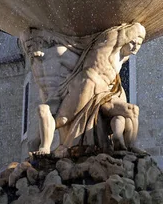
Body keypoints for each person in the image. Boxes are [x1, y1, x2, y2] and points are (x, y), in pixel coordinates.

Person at [20, 23, 146, 155]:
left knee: (131, 111)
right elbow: (87, 44)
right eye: (133, 43)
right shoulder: (112, 39)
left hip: (98, 90)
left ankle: (128, 145)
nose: (136, 48)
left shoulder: (123, 54)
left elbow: (81, 65)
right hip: (81, 87)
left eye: (139, 44)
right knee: (56, 116)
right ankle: (44, 144)